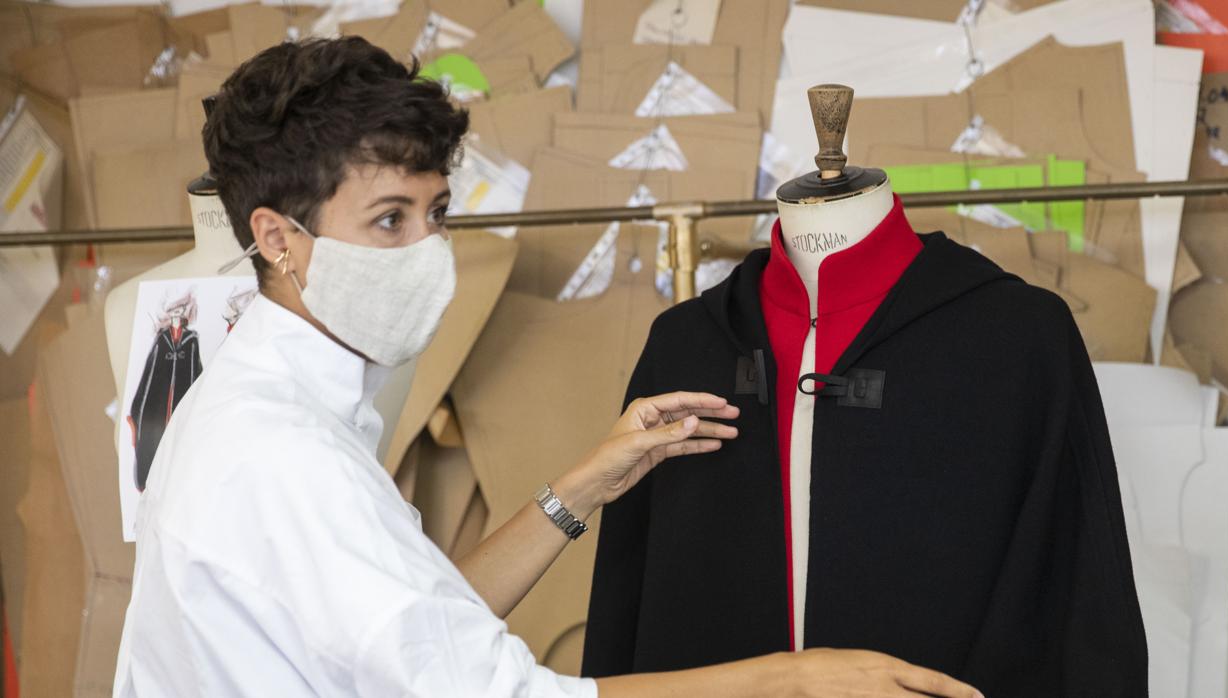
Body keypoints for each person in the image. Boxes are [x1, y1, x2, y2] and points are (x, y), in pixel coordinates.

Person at [112, 37, 983, 698]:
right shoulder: (279, 453)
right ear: (275, 238)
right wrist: (793, 680)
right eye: (389, 222)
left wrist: (585, 485)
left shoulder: (278, 407)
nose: (428, 249)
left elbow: (419, 621)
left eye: (438, 212)